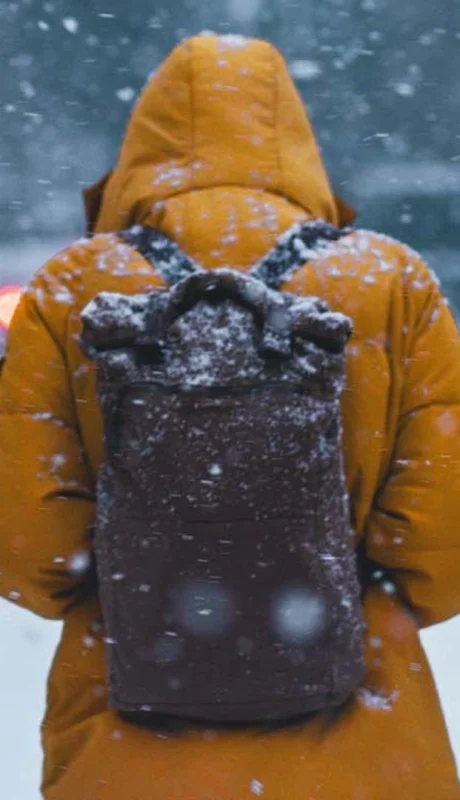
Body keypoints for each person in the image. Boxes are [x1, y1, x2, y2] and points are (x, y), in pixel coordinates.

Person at [1, 33, 459, 800]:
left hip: (122, 748)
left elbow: (34, 561)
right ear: (294, 140)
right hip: (367, 755)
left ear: (140, 144)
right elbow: (440, 555)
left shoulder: (74, 288)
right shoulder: (388, 280)